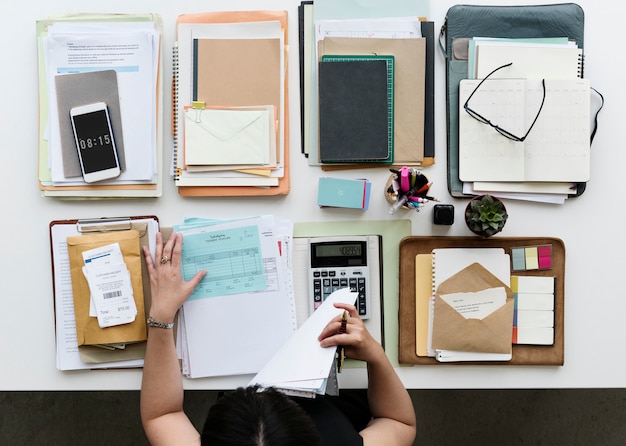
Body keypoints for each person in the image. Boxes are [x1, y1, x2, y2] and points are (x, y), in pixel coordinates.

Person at [140, 231, 417, 446]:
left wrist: (161, 316)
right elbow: (398, 423)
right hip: (338, 400)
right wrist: (376, 355)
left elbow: (161, 415)